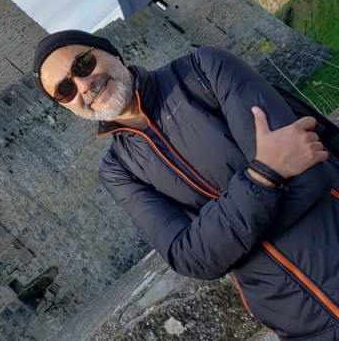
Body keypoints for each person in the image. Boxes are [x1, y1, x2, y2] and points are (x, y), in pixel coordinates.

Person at [33, 29, 339, 339]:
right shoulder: (117, 170)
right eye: (64, 90)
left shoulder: (204, 70)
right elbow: (191, 259)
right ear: (66, 107)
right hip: (303, 326)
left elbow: (307, 175)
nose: (83, 86)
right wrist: (265, 175)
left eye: (83, 64)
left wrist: (228, 244)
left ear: (110, 52)